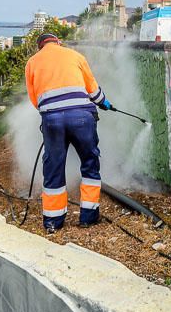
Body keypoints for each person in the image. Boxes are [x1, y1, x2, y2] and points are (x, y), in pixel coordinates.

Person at [24, 33, 111, 234]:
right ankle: (88, 217)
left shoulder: (32, 63)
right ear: (58, 43)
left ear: (40, 47)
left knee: (53, 168)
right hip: (82, 118)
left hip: (52, 120)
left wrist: (52, 114)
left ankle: (53, 222)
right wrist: (103, 102)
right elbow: (93, 90)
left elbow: (35, 99)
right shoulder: (75, 56)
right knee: (90, 163)